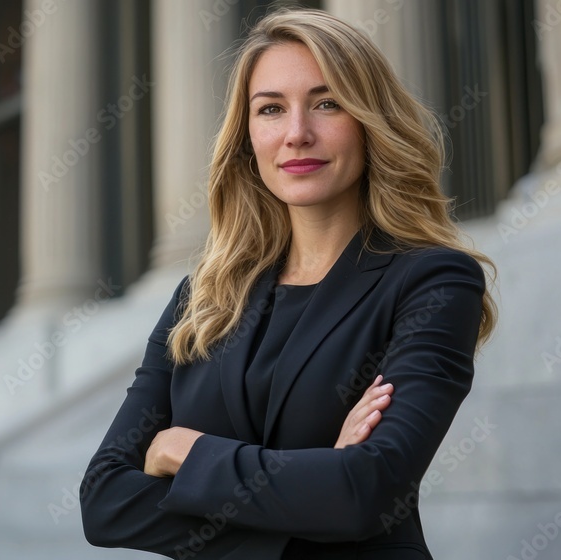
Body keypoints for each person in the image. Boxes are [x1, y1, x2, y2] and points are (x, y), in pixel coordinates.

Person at [80, 7, 497, 559]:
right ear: (248, 135)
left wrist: (186, 450)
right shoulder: (202, 299)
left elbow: (365, 492)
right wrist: (316, 484)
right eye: (271, 109)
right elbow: (104, 502)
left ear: (370, 121)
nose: (297, 134)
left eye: (327, 103)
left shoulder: (433, 283)